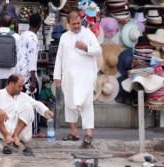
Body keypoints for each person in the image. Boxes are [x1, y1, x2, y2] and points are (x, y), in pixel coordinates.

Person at [53, 11, 102, 145]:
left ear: (82, 22)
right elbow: (60, 57)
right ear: (68, 24)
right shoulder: (64, 37)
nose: (76, 26)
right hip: (69, 77)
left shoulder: (88, 34)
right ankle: (74, 133)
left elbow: (98, 51)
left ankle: (88, 134)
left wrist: (85, 47)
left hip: (86, 75)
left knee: (87, 103)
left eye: (78, 23)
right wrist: (57, 75)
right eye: (73, 24)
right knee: (70, 104)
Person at [0, 73, 54, 155]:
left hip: (17, 128)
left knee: (28, 106)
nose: (21, 89)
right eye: (19, 86)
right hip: (2, 128)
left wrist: (46, 110)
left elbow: (36, 104)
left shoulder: (22, 96)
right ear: (11, 84)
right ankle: (7, 136)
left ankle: (16, 136)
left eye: (22, 86)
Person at [16, 13, 45, 138]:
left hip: (20, 74)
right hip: (28, 75)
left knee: (21, 103)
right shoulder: (33, 39)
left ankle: (22, 129)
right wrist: (33, 81)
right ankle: (35, 130)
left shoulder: (23, 36)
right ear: (39, 24)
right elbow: (32, 61)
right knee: (34, 103)